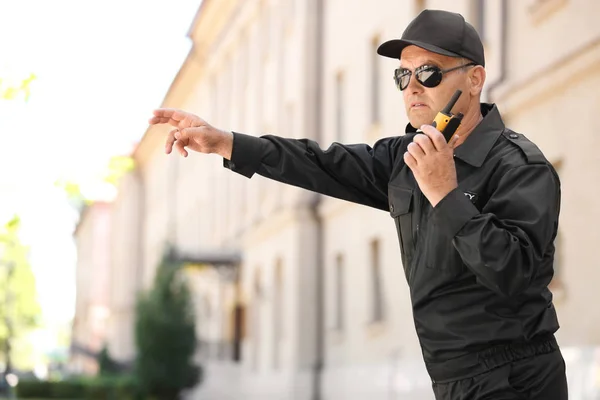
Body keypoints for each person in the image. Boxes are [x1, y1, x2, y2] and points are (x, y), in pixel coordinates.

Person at [148, 8, 568, 400]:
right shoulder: (406, 159)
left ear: (475, 79)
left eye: (428, 72)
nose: (414, 86)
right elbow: (320, 163)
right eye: (403, 76)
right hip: (449, 377)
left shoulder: (519, 165)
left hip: (518, 378)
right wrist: (226, 142)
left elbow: (516, 273)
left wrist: (445, 194)